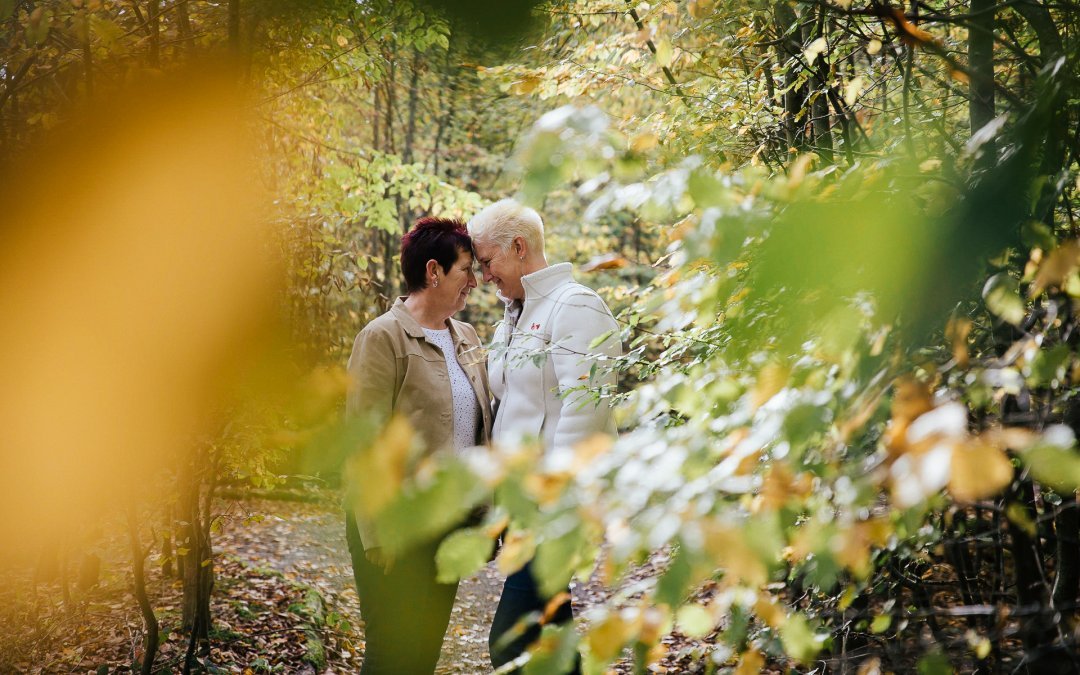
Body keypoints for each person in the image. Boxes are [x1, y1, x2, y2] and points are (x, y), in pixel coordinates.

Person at [468, 199, 621, 672]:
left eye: (488, 262)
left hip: (551, 507)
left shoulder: (575, 306)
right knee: (550, 633)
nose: (484, 275)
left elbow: (585, 411)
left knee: (508, 644)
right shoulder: (509, 319)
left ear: (519, 247)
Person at [344, 217, 492, 674]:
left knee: (423, 652)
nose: (475, 280)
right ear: (433, 271)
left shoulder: (465, 337)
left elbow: (479, 430)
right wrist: (375, 535)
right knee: (393, 653)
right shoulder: (382, 336)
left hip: (445, 525)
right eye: (466, 269)